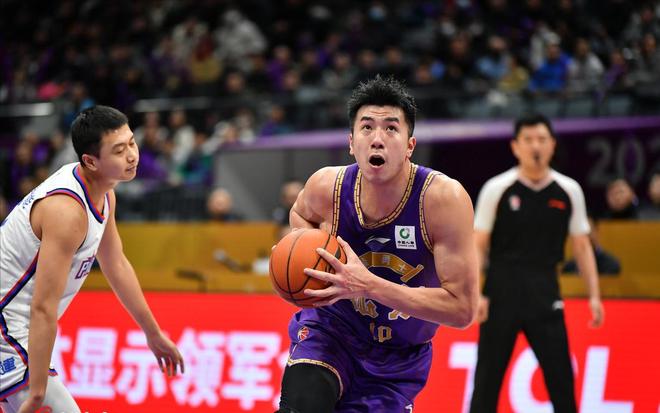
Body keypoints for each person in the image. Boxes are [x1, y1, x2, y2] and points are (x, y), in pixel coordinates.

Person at [276, 76, 479, 412]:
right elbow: (300, 213)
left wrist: (368, 285)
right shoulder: (326, 186)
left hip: (398, 358)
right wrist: (305, 256)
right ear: (351, 142)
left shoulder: (442, 200)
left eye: (391, 128)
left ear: (410, 145)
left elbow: (462, 310)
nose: (377, 139)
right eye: (367, 127)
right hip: (331, 330)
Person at [0, 106, 184, 413]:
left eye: (132, 143)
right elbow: (43, 307)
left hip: (20, 325)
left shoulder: (104, 193)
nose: (132, 155)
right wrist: (38, 390)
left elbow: (115, 263)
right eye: (119, 150)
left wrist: (153, 333)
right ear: (91, 161)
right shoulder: (67, 212)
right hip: (7, 326)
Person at [469, 114, 605, 413]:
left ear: (553, 145)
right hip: (501, 292)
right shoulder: (497, 188)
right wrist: (476, 293)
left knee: (561, 382)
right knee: (486, 384)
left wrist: (594, 296)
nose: (535, 146)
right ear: (515, 146)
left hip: (545, 293)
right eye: (528, 140)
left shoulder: (569, 190)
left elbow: (582, 246)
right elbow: (478, 244)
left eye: (542, 139)